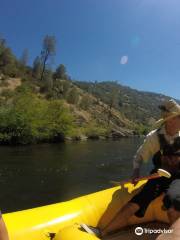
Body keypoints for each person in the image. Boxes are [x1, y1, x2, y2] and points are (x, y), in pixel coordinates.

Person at [81, 99, 180, 237]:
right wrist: (136, 172)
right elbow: (139, 157)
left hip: (178, 177)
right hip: (159, 176)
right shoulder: (155, 137)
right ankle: (102, 232)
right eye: (177, 117)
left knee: (174, 205)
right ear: (170, 120)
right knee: (136, 202)